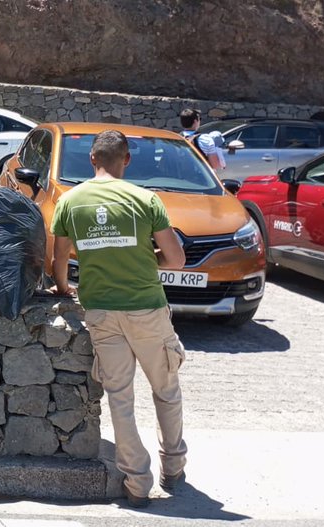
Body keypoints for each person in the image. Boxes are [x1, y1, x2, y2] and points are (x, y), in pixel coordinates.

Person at [50, 130, 189, 509]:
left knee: (120, 398)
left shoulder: (70, 201)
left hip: (101, 313)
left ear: (92, 161)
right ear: (126, 160)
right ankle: (173, 467)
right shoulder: (145, 200)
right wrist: (149, 259)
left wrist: (63, 288)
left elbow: (59, 261)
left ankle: (137, 483)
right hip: (147, 308)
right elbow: (177, 260)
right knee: (166, 389)